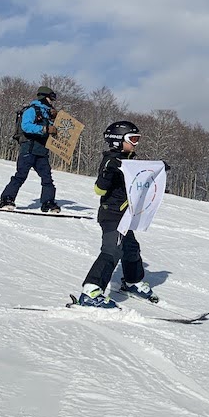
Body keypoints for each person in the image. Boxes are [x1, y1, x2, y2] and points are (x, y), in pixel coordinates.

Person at [76, 120, 157, 309]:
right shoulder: (110, 161)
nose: (136, 143)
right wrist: (109, 171)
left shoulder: (129, 161)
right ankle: (91, 290)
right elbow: (99, 190)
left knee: (131, 248)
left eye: (138, 139)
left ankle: (132, 281)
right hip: (111, 215)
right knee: (112, 250)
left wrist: (157, 171)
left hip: (125, 216)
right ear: (117, 140)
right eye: (133, 139)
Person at [0, 87, 61, 213]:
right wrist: (45, 129)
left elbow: (51, 130)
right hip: (29, 149)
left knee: (47, 178)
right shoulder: (32, 110)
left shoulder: (47, 114)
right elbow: (26, 126)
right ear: (44, 97)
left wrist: (55, 123)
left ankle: (48, 202)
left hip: (42, 152)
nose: (52, 102)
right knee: (20, 175)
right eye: (51, 98)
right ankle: (7, 199)